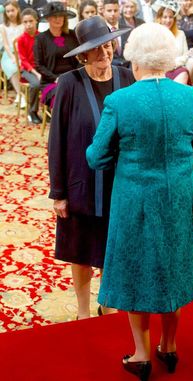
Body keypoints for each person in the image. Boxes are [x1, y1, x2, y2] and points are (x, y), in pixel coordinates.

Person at [86, 22, 193, 380]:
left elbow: (96, 157)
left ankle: (140, 354)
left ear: (134, 60)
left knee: (135, 273)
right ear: (168, 58)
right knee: (174, 269)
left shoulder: (119, 101)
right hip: (178, 199)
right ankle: (168, 348)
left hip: (134, 202)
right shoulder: (188, 97)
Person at [48, 15, 134, 320]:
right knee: (81, 251)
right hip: (80, 183)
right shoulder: (69, 83)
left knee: (112, 250)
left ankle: (107, 301)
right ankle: (83, 311)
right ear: (83, 54)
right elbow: (56, 139)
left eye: (108, 45)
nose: (104, 53)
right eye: (96, 49)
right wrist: (58, 192)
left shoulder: (126, 78)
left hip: (119, 183)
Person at [34, 1, 78, 108]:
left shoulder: (72, 35)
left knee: (83, 96)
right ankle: (60, 124)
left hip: (73, 78)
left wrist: (75, 76)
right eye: (54, 16)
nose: (58, 19)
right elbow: (39, 65)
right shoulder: (41, 39)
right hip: (51, 81)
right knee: (62, 97)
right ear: (48, 18)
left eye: (61, 16)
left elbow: (81, 58)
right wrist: (55, 78)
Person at [154, 0, 191, 84]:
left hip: (176, 68)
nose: (168, 20)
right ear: (159, 18)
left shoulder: (181, 34)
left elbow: (185, 55)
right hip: (159, 71)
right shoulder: (154, 34)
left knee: (183, 72)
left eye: (171, 17)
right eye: (165, 17)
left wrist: (173, 64)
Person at [17, 8, 42, 124]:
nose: (28, 24)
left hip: (40, 68)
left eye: (31, 21)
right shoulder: (21, 39)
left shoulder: (41, 37)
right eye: (25, 22)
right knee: (36, 84)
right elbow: (23, 60)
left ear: (36, 20)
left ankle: (51, 111)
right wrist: (36, 73)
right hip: (27, 70)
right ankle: (32, 111)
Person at [0, 0, 24, 106]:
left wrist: (20, 56)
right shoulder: (3, 26)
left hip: (22, 52)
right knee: (13, 68)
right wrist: (13, 57)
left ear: (18, 10)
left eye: (12, 10)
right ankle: (21, 94)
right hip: (8, 54)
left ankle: (20, 94)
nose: (10, 13)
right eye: (8, 11)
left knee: (22, 66)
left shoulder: (23, 24)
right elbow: (5, 44)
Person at [103, 0, 129, 66]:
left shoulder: (128, 30)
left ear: (119, 11)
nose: (113, 14)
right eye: (109, 11)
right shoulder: (100, 32)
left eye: (115, 10)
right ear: (103, 12)